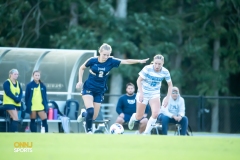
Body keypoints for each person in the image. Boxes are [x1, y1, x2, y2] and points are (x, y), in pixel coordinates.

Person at [76, 43, 149, 134]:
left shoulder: (111, 61)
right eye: (104, 54)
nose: (106, 56)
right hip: (88, 88)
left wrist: (139, 61)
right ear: (100, 52)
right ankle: (89, 131)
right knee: (90, 110)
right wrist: (80, 81)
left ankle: (83, 113)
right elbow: (81, 68)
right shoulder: (92, 60)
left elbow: (125, 61)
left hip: (100, 90)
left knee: (93, 117)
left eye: (108, 54)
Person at [128, 54, 173, 134]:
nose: (157, 65)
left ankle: (146, 133)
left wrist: (167, 97)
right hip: (143, 92)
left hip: (154, 93)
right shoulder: (147, 68)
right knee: (139, 116)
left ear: (162, 64)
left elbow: (170, 85)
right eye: (155, 63)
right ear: (153, 62)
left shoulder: (165, 72)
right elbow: (138, 81)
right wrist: (141, 93)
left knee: (156, 113)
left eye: (159, 64)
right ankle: (133, 118)